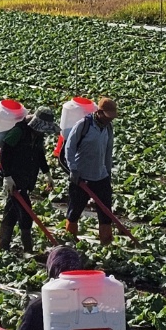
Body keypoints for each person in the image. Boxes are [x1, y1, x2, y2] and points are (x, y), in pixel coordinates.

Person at [0, 107, 57, 252]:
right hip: (14, 176)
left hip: (27, 176)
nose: (42, 132)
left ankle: (2, 246)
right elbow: (5, 152)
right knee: (25, 213)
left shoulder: (38, 135)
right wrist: (7, 176)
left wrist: (47, 173)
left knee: (11, 212)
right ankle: (28, 249)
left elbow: (39, 154)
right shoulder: (19, 131)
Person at [64, 96, 117, 244]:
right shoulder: (84, 125)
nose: (109, 120)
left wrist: (108, 173)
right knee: (74, 211)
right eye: (107, 116)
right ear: (99, 113)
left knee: (106, 213)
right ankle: (70, 240)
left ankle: (106, 243)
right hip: (82, 177)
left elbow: (108, 152)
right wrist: (73, 169)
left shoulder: (108, 128)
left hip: (101, 176)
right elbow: (69, 147)